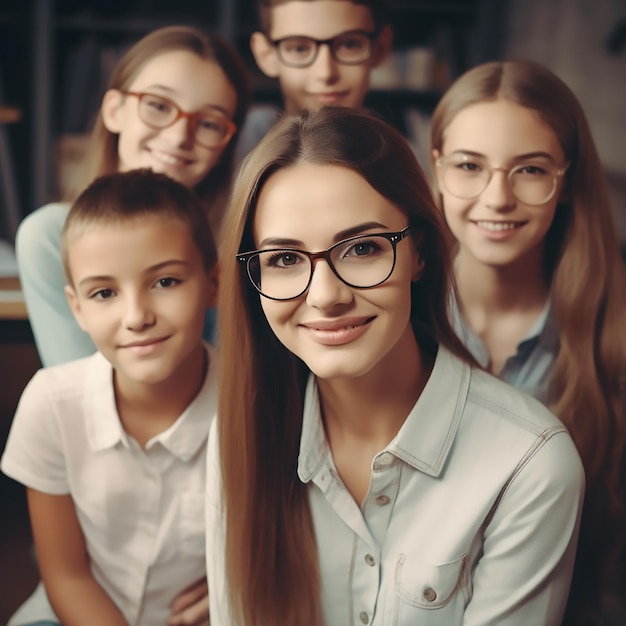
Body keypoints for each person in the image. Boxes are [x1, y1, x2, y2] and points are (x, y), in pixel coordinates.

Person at [206, 106, 585, 625]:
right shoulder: (238, 434)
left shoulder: (529, 465)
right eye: (285, 260)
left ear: (420, 253)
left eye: (361, 247)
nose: (326, 296)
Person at [429, 59, 626, 625]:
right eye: (469, 166)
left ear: (566, 181)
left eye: (530, 170)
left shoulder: (610, 341)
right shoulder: (394, 320)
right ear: (437, 169)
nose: (497, 198)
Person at [2, 169, 220, 626]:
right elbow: (66, 576)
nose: (136, 316)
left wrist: (230, 589)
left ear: (212, 284)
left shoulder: (256, 406)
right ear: (76, 308)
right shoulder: (51, 403)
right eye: (104, 293)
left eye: (166, 282)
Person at [16, 25, 249, 367]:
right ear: (114, 110)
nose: (179, 135)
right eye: (157, 105)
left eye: (210, 123)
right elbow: (79, 385)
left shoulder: (239, 243)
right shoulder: (50, 235)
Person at [234, 0, 392, 161]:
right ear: (265, 54)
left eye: (349, 45)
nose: (325, 73)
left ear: (380, 47)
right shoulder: (235, 146)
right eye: (299, 48)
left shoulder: (406, 163)